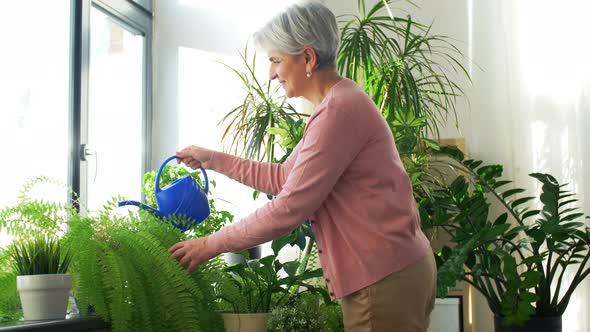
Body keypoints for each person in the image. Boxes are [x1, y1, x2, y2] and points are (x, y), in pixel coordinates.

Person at [169, 2, 436, 331]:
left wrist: (211, 244)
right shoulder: (337, 104)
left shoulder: (338, 112)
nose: (270, 74)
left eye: (276, 61)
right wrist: (215, 159)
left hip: (382, 279)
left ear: (308, 58)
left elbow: (289, 208)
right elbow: (284, 178)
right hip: (394, 271)